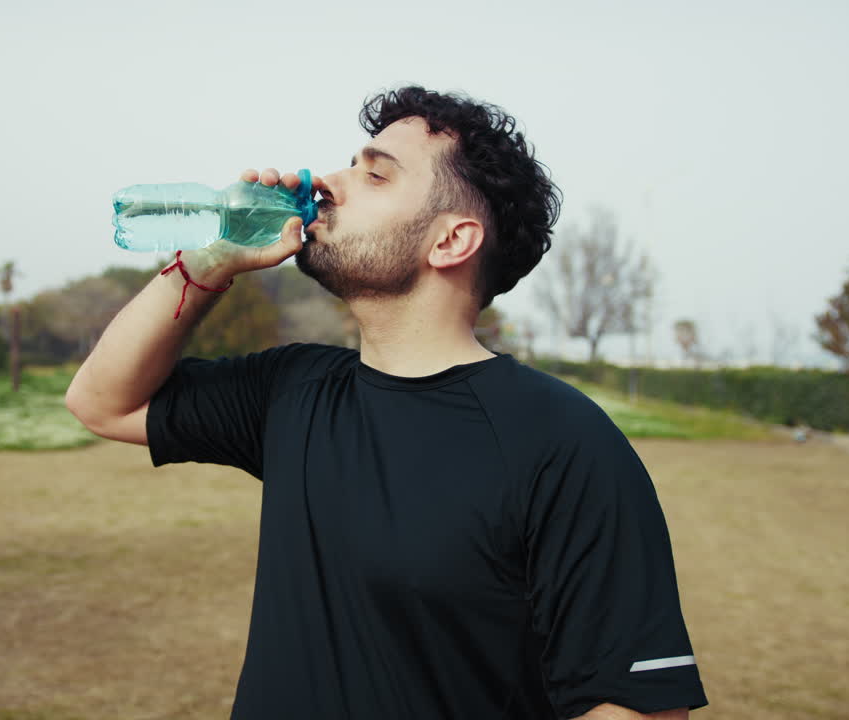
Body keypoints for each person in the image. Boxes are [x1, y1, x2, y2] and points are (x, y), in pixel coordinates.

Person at [66, 86, 708, 720]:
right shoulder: (294, 390)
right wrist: (213, 260)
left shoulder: (561, 440)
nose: (326, 185)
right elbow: (103, 403)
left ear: (451, 242)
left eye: (374, 176)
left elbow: (637, 707)